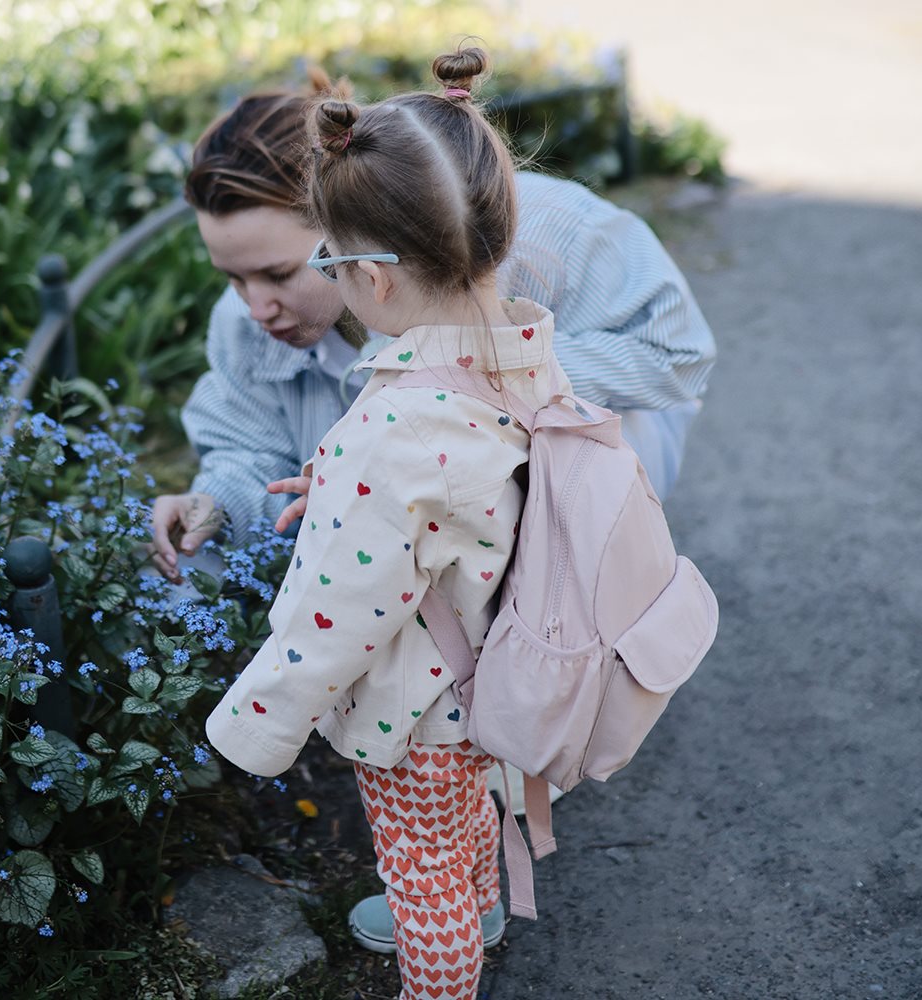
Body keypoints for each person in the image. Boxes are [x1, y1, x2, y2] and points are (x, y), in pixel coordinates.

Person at [205, 45, 576, 999]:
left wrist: (255, 722)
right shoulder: (521, 351)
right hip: (491, 660)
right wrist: (337, 480)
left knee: (420, 882)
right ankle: (482, 908)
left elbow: (337, 613)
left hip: (418, 708)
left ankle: (439, 976)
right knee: (464, 827)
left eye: (326, 260)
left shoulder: (396, 428)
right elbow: (464, 486)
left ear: (370, 277)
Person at [150, 73, 715, 576]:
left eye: (277, 274)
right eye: (233, 278)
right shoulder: (243, 322)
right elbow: (250, 449)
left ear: (345, 224)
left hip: (578, 523)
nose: (255, 307)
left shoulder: (552, 230)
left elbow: (677, 356)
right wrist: (217, 504)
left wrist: (481, 367)